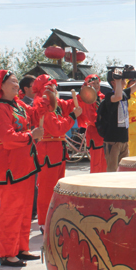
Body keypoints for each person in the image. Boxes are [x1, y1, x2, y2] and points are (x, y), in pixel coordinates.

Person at [0, 70, 42, 267]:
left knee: (26, 209)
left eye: (17, 80)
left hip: (26, 163)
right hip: (11, 165)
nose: (16, 83)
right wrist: (31, 136)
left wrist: (44, 95)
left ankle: (21, 247)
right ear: (0, 86)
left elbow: (35, 115)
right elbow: (8, 138)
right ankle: (7, 252)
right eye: (12, 81)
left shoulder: (18, 105)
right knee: (11, 210)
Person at [30, 75, 81, 232]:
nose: (54, 88)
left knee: (57, 186)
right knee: (46, 188)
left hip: (57, 149)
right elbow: (56, 128)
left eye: (54, 86)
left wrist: (85, 92)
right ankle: (45, 221)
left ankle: (55, 216)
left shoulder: (54, 102)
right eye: (51, 86)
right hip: (47, 150)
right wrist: (73, 116)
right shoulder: (42, 103)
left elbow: (68, 104)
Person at [97, 66, 135, 171]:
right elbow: (117, 97)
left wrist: (133, 72)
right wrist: (118, 80)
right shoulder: (109, 96)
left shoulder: (125, 93)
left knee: (124, 170)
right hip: (112, 141)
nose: (124, 80)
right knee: (113, 171)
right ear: (113, 82)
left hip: (124, 140)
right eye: (122, 78)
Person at [77, 74, 107, 174]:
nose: (96, 85)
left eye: (98, 83)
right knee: (96, 164)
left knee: (105, 163)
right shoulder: (87, 99)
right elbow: (89, 116)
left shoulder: (102, 97)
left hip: (104, 134)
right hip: (95, 133)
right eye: (93, 84)